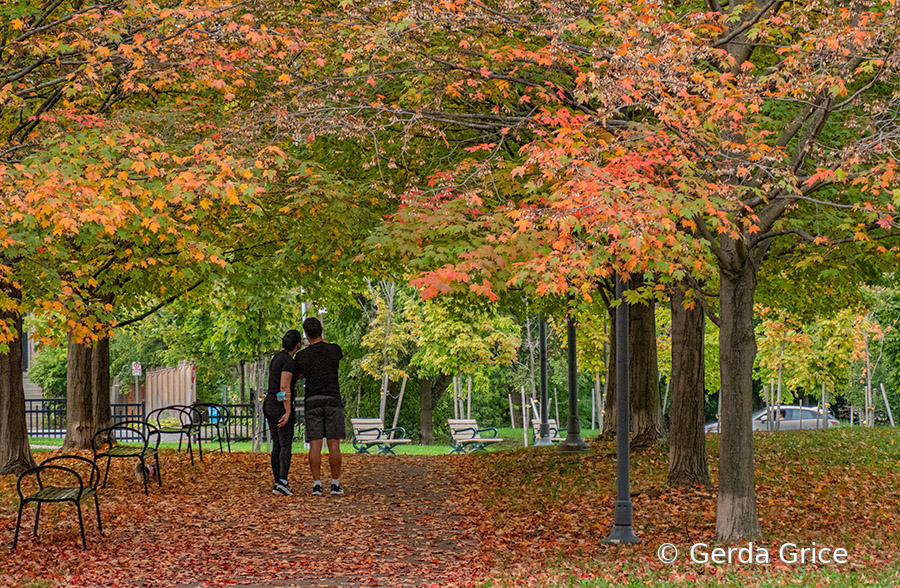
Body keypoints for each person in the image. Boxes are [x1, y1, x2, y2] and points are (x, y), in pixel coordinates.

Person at [294, 316, 345, 496]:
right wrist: (322, 339)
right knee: (334, 444)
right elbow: (334, 351)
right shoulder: (333, 350)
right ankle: (335, 483)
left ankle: (317, 484)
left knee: (315, 444)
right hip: (332, 399)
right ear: (322, 330)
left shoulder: (302, 356)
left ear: (306, 335)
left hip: (312, 400)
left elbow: (299, 375)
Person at [264, 329, 303, 496]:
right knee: (285, 444)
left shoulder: (277, 358)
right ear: (298, 345)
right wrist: (287, 410)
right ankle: (282, 481)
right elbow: (284, 387)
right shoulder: (288, 362)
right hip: (279, 404)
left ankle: (277, 482)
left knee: (277, 444)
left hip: (269, 403)